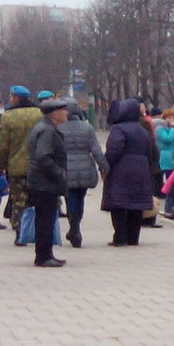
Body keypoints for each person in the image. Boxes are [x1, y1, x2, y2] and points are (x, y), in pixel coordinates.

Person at [101, 99, 157, 246]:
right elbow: (150, 151)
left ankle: (120, 238)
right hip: (141, 170)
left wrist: (106, 166)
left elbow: (114, 150)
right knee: (136, 206)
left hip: (121, 171)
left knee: (118, 205)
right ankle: (133, 238)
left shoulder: (118, 129)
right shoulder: (142, 130)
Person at [25, 97, 72, 268]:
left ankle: (46, 254)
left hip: (42, 182)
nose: (67, 113)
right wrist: (59, 173)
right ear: (55, 113)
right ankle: (43, 256)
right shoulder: (47, 130)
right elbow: (43, 156)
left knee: (46, 219)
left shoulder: (46, 127)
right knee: (45, 220)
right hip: (45, 183)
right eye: (64, 110)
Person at [57, 101, 107, 249]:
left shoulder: (58, 128)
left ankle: (74, 228)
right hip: (85, 167)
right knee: (80, 198)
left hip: (66, 168)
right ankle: (76, 226)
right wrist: (104, 166)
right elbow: (96, 150)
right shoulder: (87, 127)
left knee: (70, 199)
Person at [0, 84, 41, 229]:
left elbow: (3, 145)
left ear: (16, 98)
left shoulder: (8, 116)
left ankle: (19, 230)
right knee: (38, 200)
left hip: (16, 167)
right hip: (39, 166)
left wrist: (0, 166)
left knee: (19, 201)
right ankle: (35, 230)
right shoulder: (40, 114)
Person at [155, 109, 174, 191]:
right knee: (170, 178)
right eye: (169, 117)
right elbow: (167, 139)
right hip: (167, 156)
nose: (171, 119)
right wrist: (173, 129)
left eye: (173, 118)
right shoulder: (160, 129)